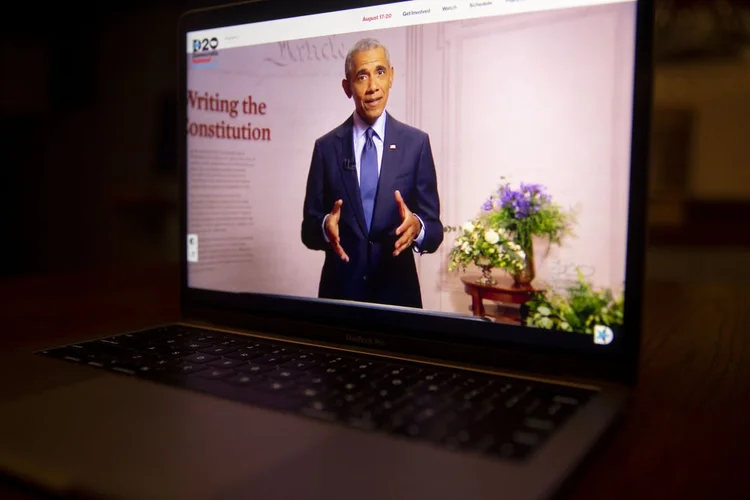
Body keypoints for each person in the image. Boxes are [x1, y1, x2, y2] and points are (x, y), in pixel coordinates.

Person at [301, 37, 443, 309]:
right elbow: (308, 230)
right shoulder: (325, 148)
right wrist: (324, 227)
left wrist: (419, 228)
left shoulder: (417, 144)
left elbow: (435, 230)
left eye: (380, 72)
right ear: (347, 87)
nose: (372, 86)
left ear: (391, 76)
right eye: (361, 76)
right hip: (340, 299)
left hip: (398, 300)